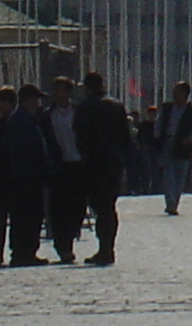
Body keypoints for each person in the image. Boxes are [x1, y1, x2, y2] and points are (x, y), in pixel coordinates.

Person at [73, 71, 132, 266]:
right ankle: (108, 247)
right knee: (109, 206)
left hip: (94, 163)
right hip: (114, 163)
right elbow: (126, 136)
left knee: (100, 207)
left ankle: (104, 249)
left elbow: (79, 136)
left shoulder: (84, 107)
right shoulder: (116, 106)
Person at [0, 83, 52, 266]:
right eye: (36, 99)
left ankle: (24, 251)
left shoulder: (25, 119)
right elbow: (25, 150)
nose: (38, 103)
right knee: (28, 215)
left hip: (25, 175)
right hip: (26, 176)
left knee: (27, 216)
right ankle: (23, 252)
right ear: (28, 100)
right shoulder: (21, 121)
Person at [42, 77, 87, 262]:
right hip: (58, 166)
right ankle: (63, 245)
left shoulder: (79, 113)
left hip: (78, 163)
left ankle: (73, 230)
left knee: (78, 205)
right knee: (58, 207)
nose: (59, 95)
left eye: (63, 91)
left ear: (70, 93)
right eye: (56, 91)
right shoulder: (46, 115)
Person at [157, 82, 192, 216]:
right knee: (169, 175)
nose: (174, 94)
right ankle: (170, 203)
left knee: (180, 176)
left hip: (183, 146)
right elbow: (159, 123)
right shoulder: (167, 108)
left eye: (177, 91)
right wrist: (158, 137)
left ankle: (174, 202)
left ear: (184, 93)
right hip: (168, 142)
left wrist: (191, 137)